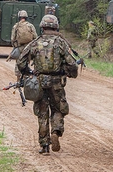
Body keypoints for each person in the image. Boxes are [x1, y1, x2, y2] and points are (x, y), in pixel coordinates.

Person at [17, 14, 78, 154]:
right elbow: (72, 63)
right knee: (58, 109)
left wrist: (28, 72)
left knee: (42, 112)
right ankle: (56, 131)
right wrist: (71, 73)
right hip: (56, 83)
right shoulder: (60, 43)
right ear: (56, 26)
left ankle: (44, 146)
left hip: (39, 82)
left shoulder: (35, 43)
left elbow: (21, 61)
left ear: (42, 27)